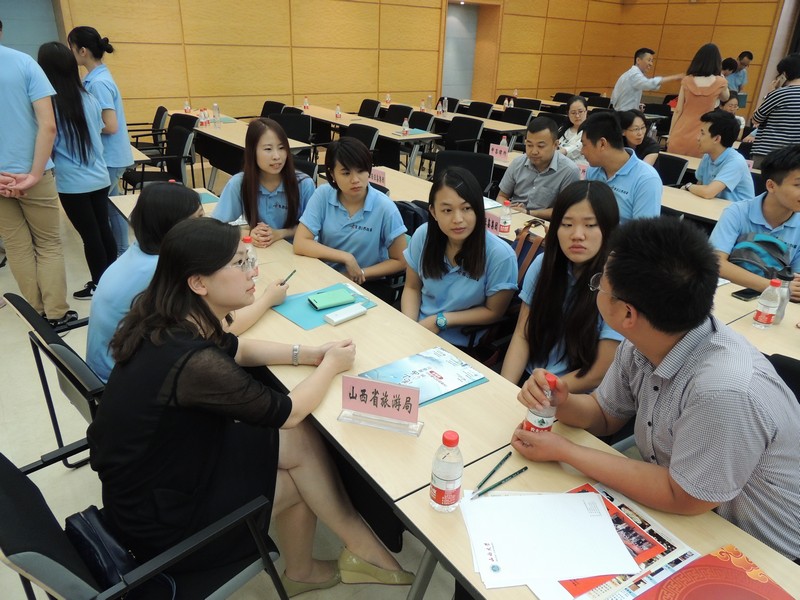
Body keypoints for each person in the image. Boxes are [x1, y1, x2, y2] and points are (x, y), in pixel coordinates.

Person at [88, 217, 414, 594]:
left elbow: (235, 347)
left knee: (301, 444)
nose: (252, 271)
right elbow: (287, 412)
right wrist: (330, 366)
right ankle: (333, 558)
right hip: (161, 523)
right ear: (198, 282)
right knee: (297, 470)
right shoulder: (190, 360)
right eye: (240, 263)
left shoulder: (173, 318)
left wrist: (309, 353)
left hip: (160, 477)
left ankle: (345, 552)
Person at [512, 216, 800, 562]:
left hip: (768, 554)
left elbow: (685, 496)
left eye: (600, 285)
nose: (597, 288)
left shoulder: (724, 391)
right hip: (698, 517)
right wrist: (562, 402)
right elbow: (605, 415)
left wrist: (565, 451)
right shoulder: (648, 339)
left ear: (627, 313)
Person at [501, 180, 622, 391]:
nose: (577, 235)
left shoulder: (618, 284)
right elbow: (522, 334)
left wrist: (542, 391)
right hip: (531, 383)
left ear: (608, 229)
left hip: (578, 397)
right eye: (567, 224)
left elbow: (598, 373)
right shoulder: (543, 266)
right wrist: (504, 389)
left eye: (590, 225)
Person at [0, 23, 76, 327]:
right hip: (34, 174)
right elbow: (49, 126)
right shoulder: (25, 64)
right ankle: (56, 313)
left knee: (16, 245)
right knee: (48, 244)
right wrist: (32, 175)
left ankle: (34, 313)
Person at [401, 167, 517, 349]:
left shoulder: (500, 255)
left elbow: (493, 311)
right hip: (419, 328)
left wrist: (441, 320)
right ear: (433, 211)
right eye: (447, 210)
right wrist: (409, 326)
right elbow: (412, 287)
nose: (458, 219)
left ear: (479, 209)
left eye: (467, 208)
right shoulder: (424, 235)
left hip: (461, 343)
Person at [38, 41, 116, 301]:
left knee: (90, 235)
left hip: (73, 183)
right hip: (99, 176)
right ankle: (111, 279)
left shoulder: (50, 104)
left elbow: (49, 145)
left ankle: (99, 285)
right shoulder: (89, 97)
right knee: (103, 230)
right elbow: (101, 130)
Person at [294, 137, 407, 301]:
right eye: (346, 173)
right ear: (332, 174)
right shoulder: (323, 195)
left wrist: (360, 273)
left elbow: (400, 261)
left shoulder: (385, 207)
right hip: (325, 276)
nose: (355, 180)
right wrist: (345, 257)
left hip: (367, 284)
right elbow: (300, 243)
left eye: (361, 170)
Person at [68, 26, 133, 256]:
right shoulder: (95, 78)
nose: (70, 53)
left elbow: (111, 125)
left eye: (71, 48)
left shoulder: (98, 83)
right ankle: (122, 252)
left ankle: (120, 253)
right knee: (112, 207)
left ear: (82, 50)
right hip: (111, 155)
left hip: (110, 156)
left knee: (107, 210)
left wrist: (81, 125)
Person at [710, 145, 800, 301]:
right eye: (798, 185)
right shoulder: (737, 212)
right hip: (725, 297)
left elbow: (795, 282)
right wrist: (772, 285)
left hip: (771, 305)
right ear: (771, 185)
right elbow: (716, 263)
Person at [213, 118, 314, 247]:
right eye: (268, 149)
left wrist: (280, 233)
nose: (277, 156)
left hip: (296, 252)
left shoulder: (304, 184)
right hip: (260, 252)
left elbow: (313, 228)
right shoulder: (239, 183)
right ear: (252, 152)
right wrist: (248, 233)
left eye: (282, 148)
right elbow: (216, 227)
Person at [581, 112, 662, 222]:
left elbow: (643, 234)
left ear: (602, 144)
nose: (581, 152)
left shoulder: (646, 179)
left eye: (584, 145)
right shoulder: (593, 170)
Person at [497, 117, 580, 220]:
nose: (534, 151)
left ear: (555, 145)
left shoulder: (569, 171)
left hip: (544, 225)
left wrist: (528, 213)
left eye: (540, 146)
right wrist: (507, 208)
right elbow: (501, 196)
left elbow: (566, 211)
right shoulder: (517, 162)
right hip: (512, 218)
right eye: (529, 145)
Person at [667, 43, 729, 158]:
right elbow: (726, 97)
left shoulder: (687, 80)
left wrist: (670, 134)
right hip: (702, 135)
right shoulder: (720, 82)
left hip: (680, 132)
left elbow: (678, 110)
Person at [683, 111, 754, 203]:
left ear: (717, 139)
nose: (698, 138)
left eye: (702, 133)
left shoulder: (736, 162)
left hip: (737, 215)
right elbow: (699, 186)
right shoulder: (707, 156)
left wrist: (688, 186)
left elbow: (708, 192)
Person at [750, 53, 800, 169]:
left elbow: (756, 119)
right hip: (794, 156)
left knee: (761, 185)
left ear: (784, 74)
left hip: (768, 153)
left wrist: (769, 94)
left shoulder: (779, 94)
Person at [610, 47, 683, 112]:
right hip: (623, 116)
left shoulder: (630, 74)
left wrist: (636, 105)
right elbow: (649, 84)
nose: (651, 64)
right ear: (638, 60)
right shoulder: (633, 74)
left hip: (624, 113)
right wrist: (673, 77)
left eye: (652, 61)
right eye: (649, 60)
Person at [558, 96, 589, 167]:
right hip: (559, 164)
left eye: (580, 112)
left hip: (579, 169)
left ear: (586, 112)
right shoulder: (563, 128)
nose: (577, 116)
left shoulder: (590, 131)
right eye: (573, 113)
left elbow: (573, 151)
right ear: (568, 114)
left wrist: (551, 154)